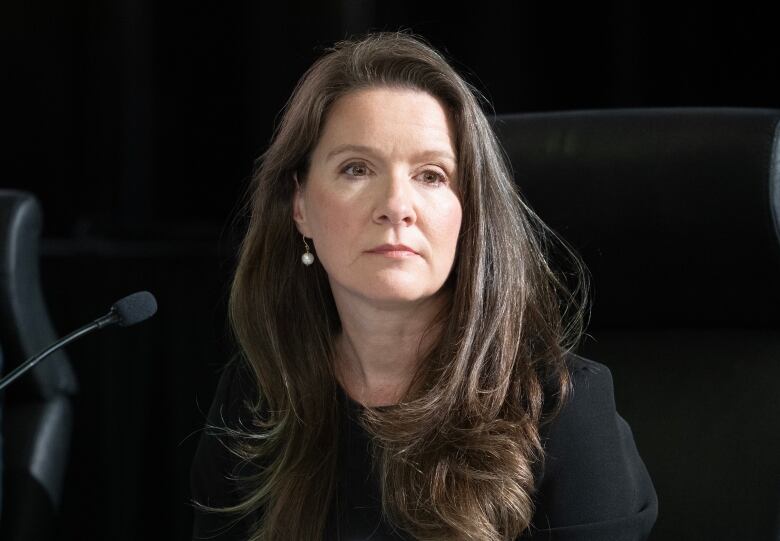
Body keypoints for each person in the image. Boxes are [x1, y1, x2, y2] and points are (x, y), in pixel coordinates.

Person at [190, 31, 658, 540]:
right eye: (356, 169)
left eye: (431, 175)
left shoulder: (560, 408)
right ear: (300, 206)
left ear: (469, 210)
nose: (396, 204)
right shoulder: (258, 397)